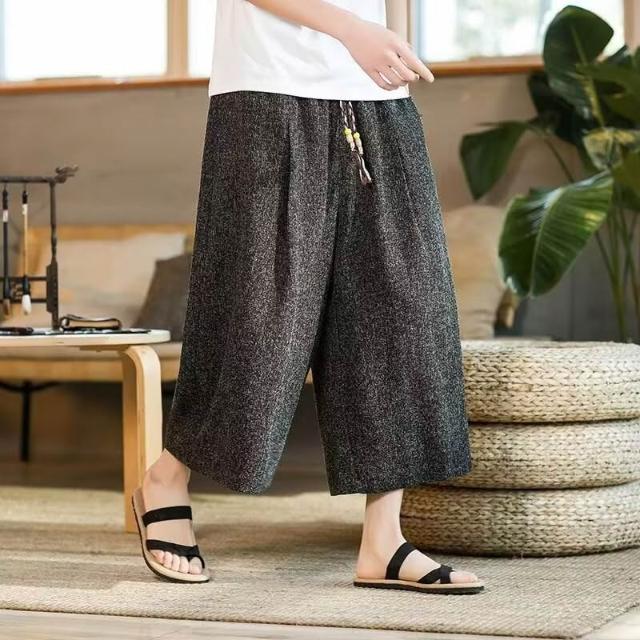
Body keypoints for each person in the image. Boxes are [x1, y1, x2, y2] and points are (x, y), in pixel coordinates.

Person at [132, 0, 484, 594]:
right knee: (260, 315)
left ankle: (384, 540)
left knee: (401, 312)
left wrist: (380, 39)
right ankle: (166, 477)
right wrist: (351, 29)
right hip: (267, 94)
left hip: (378, 97)